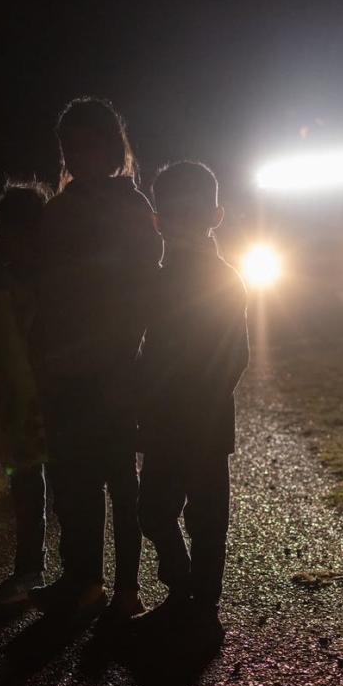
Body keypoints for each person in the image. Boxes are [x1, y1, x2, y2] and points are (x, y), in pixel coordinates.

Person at [30, 97, 162, 623]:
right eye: (66, 144)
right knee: (72, 479)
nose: (73, 153)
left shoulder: (132, 209)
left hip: (111, 366)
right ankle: (81, 577)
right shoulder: (60, 209)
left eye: (83, 142)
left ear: (110, 147)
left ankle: (127, 586)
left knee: (118, 480)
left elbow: (142, 289)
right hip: (64, 365)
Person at [132, 161, 249, 645]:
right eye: (173, 214)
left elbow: (236, 354)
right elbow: (145, 347)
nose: (180, 223)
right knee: (154, 510)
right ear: (159, 220)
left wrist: (196, 398)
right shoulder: (157, 282)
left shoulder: (225, 279)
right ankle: (185, 592)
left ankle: (202, 604)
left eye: (190, 213)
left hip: (199, 420)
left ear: (214, 216)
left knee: (205, 517)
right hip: (169, 420)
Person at [0, 181, 54, 605]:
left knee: (49, 480)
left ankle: (66, 575)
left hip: (50, 389)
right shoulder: (0, 278)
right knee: (27, 480)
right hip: (20, 395)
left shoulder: (51, 279)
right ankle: (31, 570)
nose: (13, 244)